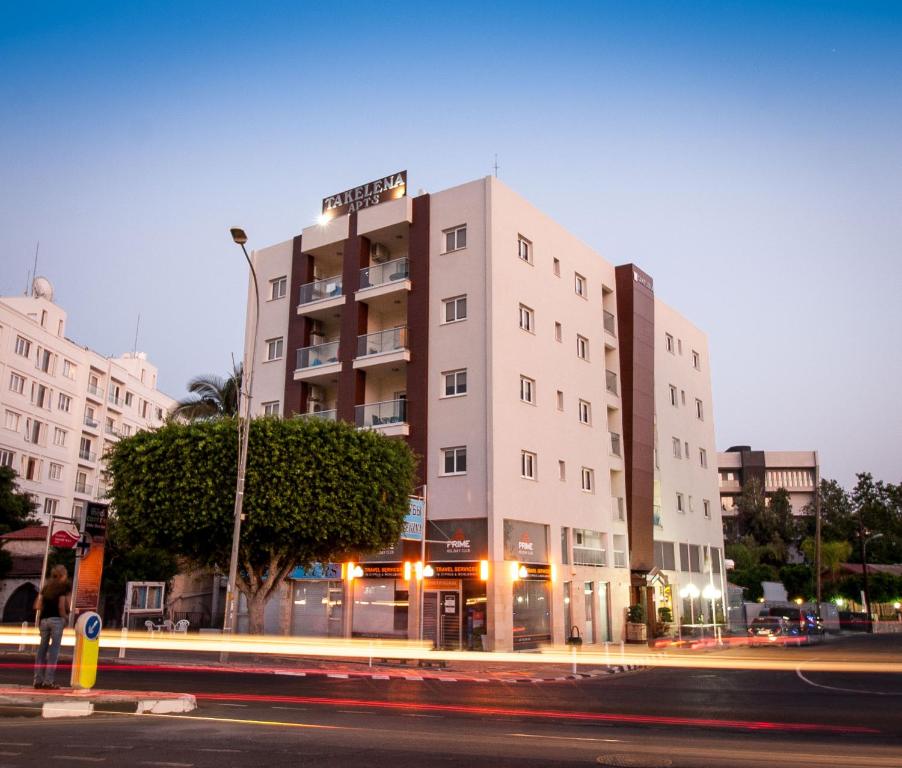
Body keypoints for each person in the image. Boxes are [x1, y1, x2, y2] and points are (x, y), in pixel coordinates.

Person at [33, 564, 71, 689]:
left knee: (41, 651)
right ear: (63, 575)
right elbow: (61, 606)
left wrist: (40, 620)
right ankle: (48, 682)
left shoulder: (46, 587)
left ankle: (37, 681)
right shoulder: (64, 587)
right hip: (56, 621)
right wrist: (66, 618)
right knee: (53, 651)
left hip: (43, 620)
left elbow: (38, 605)